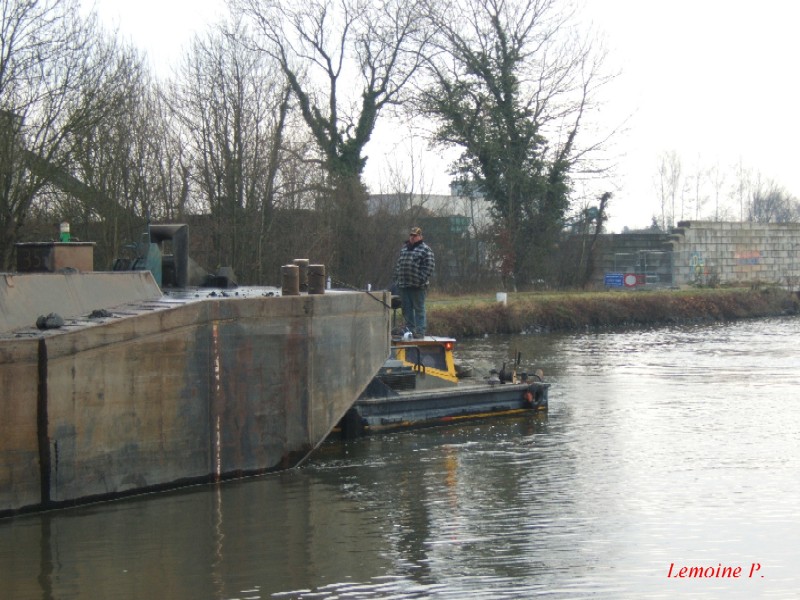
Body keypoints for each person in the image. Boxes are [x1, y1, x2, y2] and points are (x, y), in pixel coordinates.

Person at [393, 226, 435, 338]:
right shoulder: (404, 249)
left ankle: (420, 331)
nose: (412, 237)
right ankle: (409, 330)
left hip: (418, 286)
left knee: (419, 309)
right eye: (411, 235)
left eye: (415, 236)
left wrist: (421, 279)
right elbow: (398, 265)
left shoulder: (425, 249)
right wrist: (397, 278)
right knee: (406, 309)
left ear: (420, 236)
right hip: (403, 285)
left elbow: (429, 267)